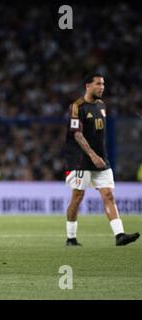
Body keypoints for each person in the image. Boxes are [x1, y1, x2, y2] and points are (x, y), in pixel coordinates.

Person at [64, 72, 139, 246]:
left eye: (103, 84)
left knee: (108, 195)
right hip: (81, 160)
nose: (102, 87)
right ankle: (71, 237)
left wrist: (99, 156)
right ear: (87, 86)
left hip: (101, 159)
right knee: (77, 196)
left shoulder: (102, 106)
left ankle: (119, 235)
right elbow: (77, 135)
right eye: (98, 84)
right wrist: (92, 155)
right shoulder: (77, 106)